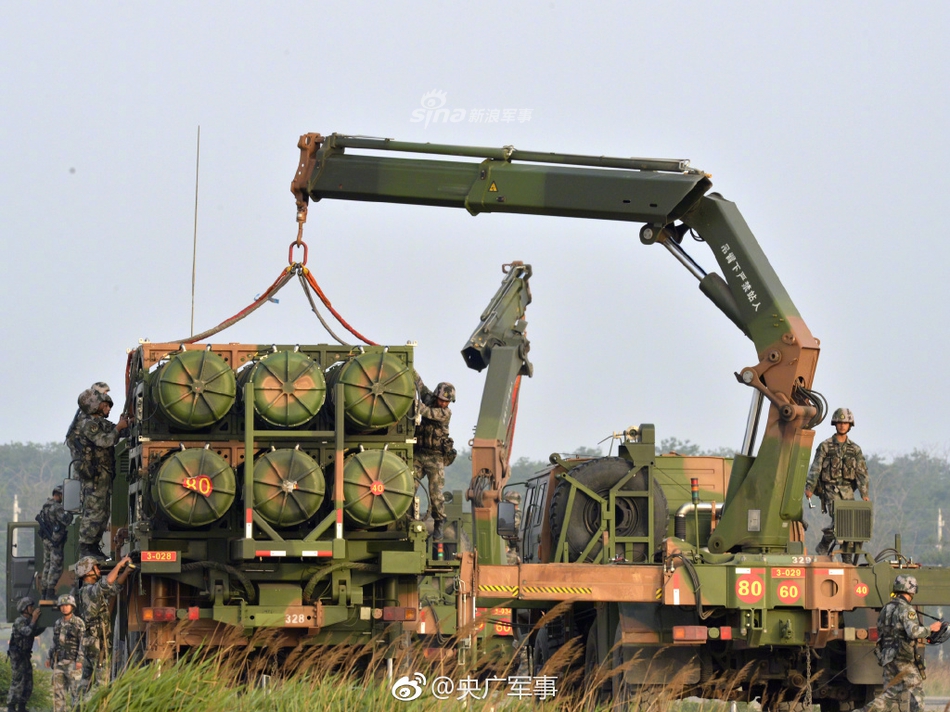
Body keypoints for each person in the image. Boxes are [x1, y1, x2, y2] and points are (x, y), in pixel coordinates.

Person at [858, 575, 942, 712]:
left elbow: (880, 631)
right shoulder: (906, 610)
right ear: (911, 590)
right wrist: (931, 629)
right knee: (917, 693)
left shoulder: (886, 609)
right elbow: (913, 632)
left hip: (887, 658)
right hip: (903, 659)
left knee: (889, 696)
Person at [804, 407, 869, 555]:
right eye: (839, 422)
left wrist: (864, 493)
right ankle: (824, 544)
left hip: (847, 491)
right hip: (830, 489)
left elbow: (861, 473)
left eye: (845, 423)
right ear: (835, 423)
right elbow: (816, 468)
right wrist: (810, 487)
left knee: (850, 526)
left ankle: (846, 559)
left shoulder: (855, 449)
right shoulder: (825, 446)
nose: (842, 425)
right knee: (841, 522)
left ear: (850, 425)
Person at [76, 390, 129, 559]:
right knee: (94, 510)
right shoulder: (87, 424)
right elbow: (105, 441)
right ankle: (86, 546)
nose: (108, 409)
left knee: (104, 511)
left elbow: (117, 431)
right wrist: (119, 428)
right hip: (94, 475)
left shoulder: (100, 423)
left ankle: (94, 546)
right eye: (105, 405)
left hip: (104, 473)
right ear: (94, 406)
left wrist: (124, 425)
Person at [76, 555, 134, 695]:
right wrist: (120, 565)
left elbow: (113, 588)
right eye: (95, 567)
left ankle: (78, 707)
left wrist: (126, 573)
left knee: (86, 681)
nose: (98, 570)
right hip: (97, 643)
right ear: (88, 571)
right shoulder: (89, 590)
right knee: (101, 683)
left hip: (92, 641)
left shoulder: (89, 590)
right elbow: (108, 581)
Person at [412, 371, 457, 541]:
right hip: (419, 454)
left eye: (447, 401)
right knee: (408, 486)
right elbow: (421, 386)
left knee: (436, 494)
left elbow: (426, 412)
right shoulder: (429, 398)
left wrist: (413, 402)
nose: (443, 403)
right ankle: (406, 517)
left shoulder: (445, 414)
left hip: (435, 458)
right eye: (442, 400)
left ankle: (439, 522)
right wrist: (410, 371)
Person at [48, 594, 85, 712]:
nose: (64, 608)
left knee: (76, 693)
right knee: (58, 693)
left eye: (67, 605)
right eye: (62, 605)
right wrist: (49, 657)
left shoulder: (78, 623)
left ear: (72, 606)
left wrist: (80, 660)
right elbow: (55, 642)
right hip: (59, 663)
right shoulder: (58, 623)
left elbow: (82, 642)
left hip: (73, 663)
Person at [37, 484, 74, 600]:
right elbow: (66, 521)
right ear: (58, 495)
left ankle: (44, 592)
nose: (63, 498)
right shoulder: (56, 507)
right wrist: (71, 512)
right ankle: (50, 592)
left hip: (47, 540)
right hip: (55, 541)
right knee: (56, 566)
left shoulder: (46, 506)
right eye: (62, 495)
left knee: (47, 565)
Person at [6, 598, 42, 712]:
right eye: (30, 607)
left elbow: (34, 632)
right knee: (17, 680)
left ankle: (22, 705)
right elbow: (27, 631)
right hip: (17, 656)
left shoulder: (28, 621)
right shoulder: (19, 621)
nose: (32, 609)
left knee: (28, 681)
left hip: (25, 655)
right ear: (24, 609)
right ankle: (11, 706)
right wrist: (34, 620)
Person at [65, 382, 110, 464]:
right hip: (85, 465)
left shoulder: (89, 413)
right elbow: (103, 440)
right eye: (104, 394)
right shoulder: (88, 416)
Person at [503, 490, 523, 565]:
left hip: (516, 550)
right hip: (512, 548)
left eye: (506, 502)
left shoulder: (517, 515)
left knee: (502, 561)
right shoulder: (513, 514)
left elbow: (508, 525)